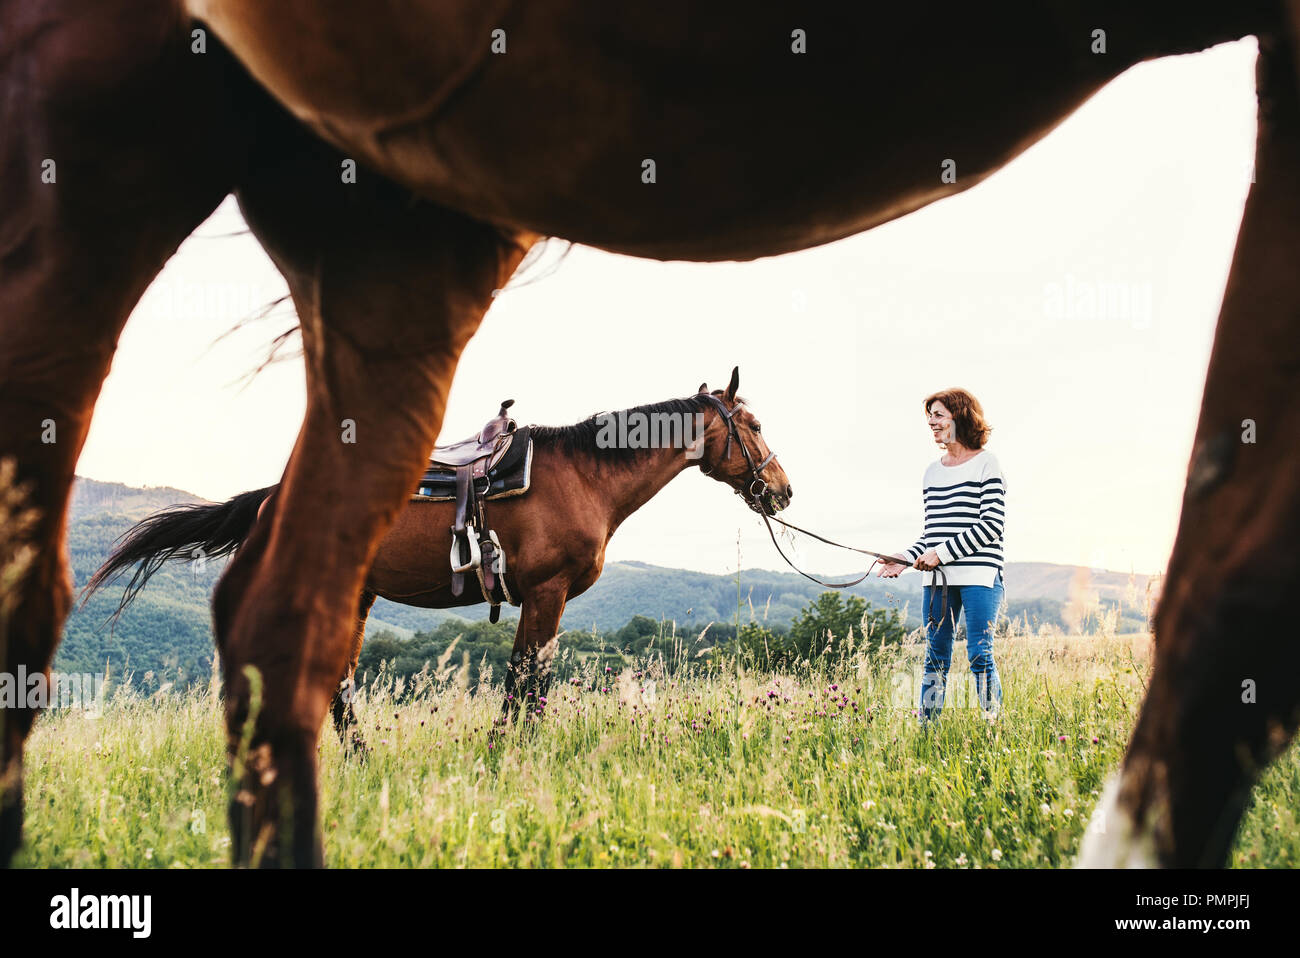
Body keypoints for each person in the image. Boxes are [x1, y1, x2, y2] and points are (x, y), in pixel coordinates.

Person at [878, 389, 1006, 723]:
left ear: (960, 416)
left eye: (938, 415)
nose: (932, 423)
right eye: (929, 417)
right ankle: (927, 728)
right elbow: (931, 535)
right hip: (937, 582)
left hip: (980, 576)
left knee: (980, 654)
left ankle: (993, 724)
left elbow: (992, 524)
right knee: (935, 657)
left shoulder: (987, 463)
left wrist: (942, 554)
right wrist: (903, 558)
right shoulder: (932, 473)